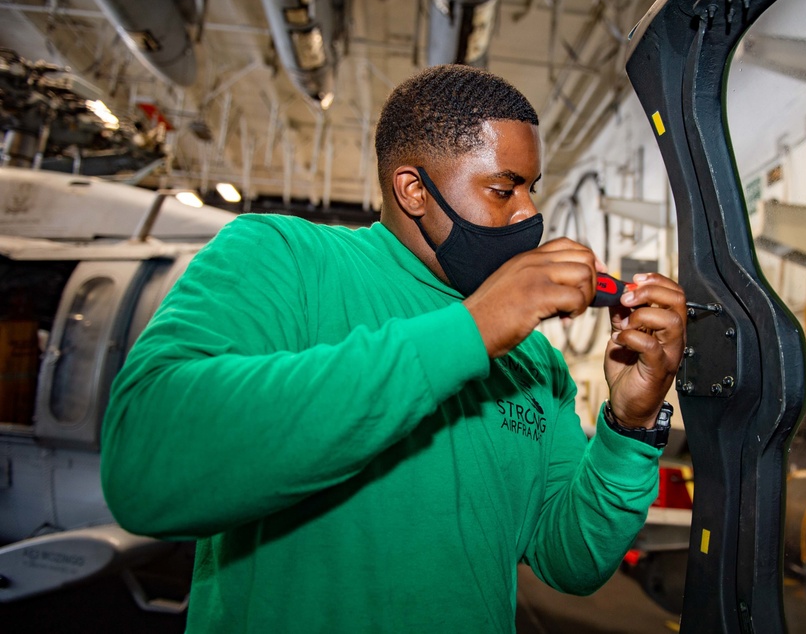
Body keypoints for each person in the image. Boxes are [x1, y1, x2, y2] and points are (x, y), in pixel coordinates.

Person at [101, 64, 686, 632]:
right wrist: (472, 329)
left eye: (531, 190)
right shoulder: (283, 258)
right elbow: (143, 467)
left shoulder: (536, 364)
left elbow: (571, 563)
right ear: (413, 190)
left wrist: (628, 426)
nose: (529, 213)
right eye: (502, 189)